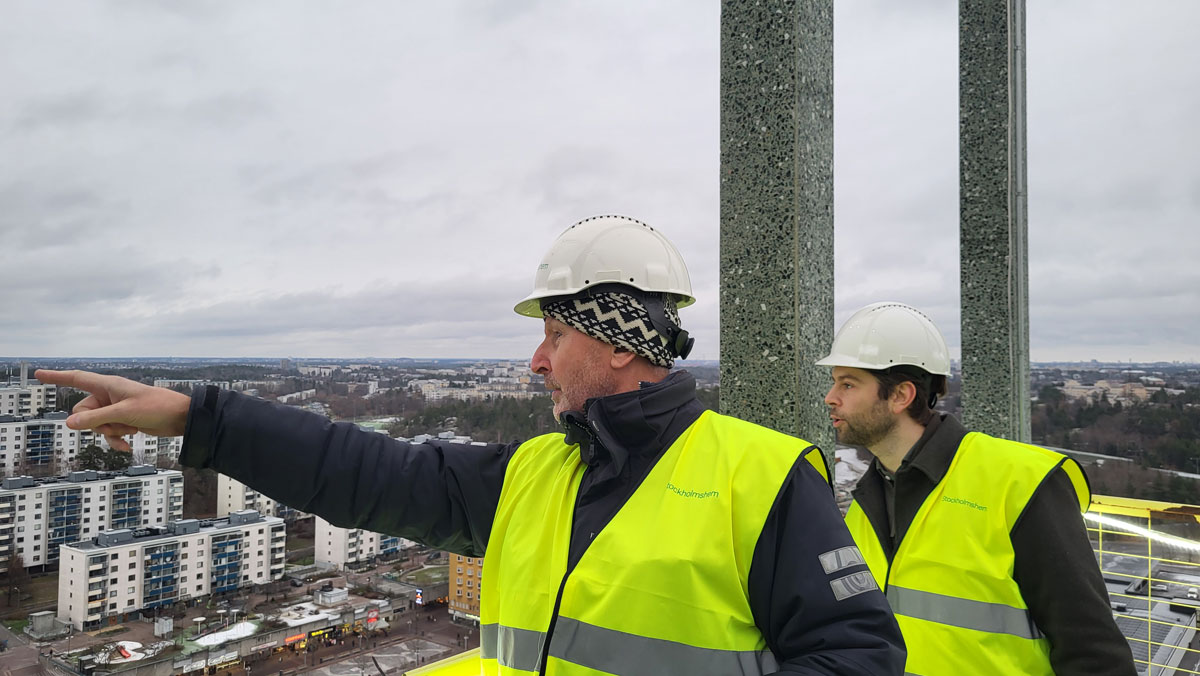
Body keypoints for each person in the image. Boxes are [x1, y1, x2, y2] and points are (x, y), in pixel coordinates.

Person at [39, 215, 905, 675]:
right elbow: (357, 470)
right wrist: (201, 417)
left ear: (616, 343)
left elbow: (857, 658)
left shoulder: (762, 477)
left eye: (553, 337)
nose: (535, 362)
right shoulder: (536, 474)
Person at [816, 302, 1135, 676]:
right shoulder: (867, 499)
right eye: (834, 382)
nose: (830, 397)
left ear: (901, 396)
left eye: (848, 384)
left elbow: (1093, 652)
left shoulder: (1017, 483)